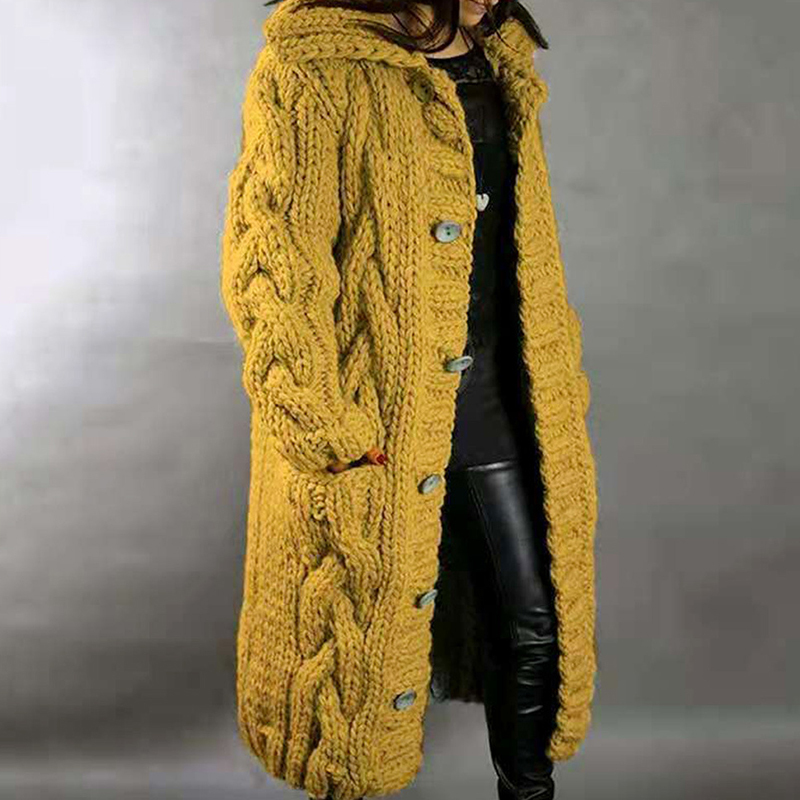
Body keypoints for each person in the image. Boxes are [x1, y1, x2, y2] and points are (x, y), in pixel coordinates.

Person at [219, 2, 599, 800]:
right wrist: (325, 426)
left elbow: (522, 237)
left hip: (502, 395)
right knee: (358, 661)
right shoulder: (314, 63)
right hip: (382, 411)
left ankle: (527, 791)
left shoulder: (497, 53)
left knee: (536, 624)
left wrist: (558, 367)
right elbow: (272, 263)